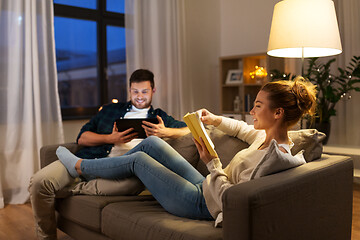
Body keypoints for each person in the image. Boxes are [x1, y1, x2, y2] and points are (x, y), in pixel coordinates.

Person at [56, 77, 317, 227]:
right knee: (152, 144)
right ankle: (95, 168)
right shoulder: (265, 136)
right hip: (206, 186)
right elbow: (240, 129)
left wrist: (213, 163)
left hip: (205, 204)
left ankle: (80, 167)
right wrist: (214, 119)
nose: (251, 111)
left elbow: (233, 201)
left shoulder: (274, 158)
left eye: (258, 106)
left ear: (278, 113)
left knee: (138, 160)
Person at [28, 69, 190, 240]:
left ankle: (69, 187)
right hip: (89, 157)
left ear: (153, 91)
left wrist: (166, 132)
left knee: (133, 185)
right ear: (129, 90)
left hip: (120, 172)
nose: (139, 96)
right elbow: (82, 138)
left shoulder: (160, 117)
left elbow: (188, 130)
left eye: (144, 91)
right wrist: (110, 138)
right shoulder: (109, 110)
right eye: (135, 91)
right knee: (39, 182)